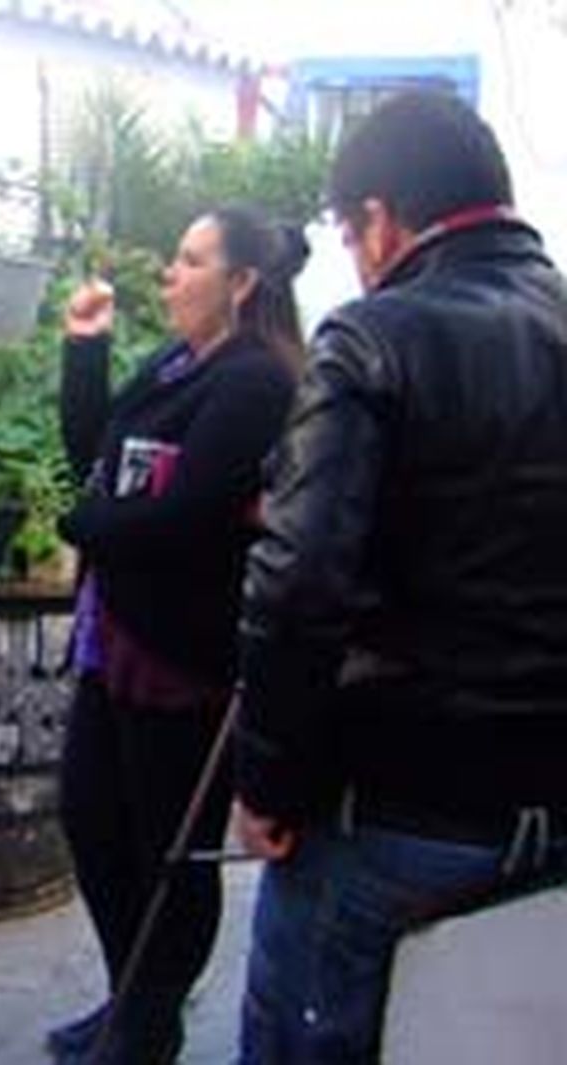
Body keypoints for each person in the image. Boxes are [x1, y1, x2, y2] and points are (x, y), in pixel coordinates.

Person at [234, 91, 567, 1063]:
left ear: (378, 218)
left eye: (349, 232)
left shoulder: (372, 336)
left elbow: (297, 585)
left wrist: (268, 784)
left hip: (389, 814)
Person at [52, 205, 308, 1063]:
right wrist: (85, 348)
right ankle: (133, 1000)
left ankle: (147, 1019)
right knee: (92, 819)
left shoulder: (254, 382)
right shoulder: (176, 362)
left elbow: (191, 512)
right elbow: (95, 445)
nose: (170, 273)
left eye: (191, 260)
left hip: (180, 650)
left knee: (167, 851)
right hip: (116, 635)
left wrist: (83, 525)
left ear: (241, 283)